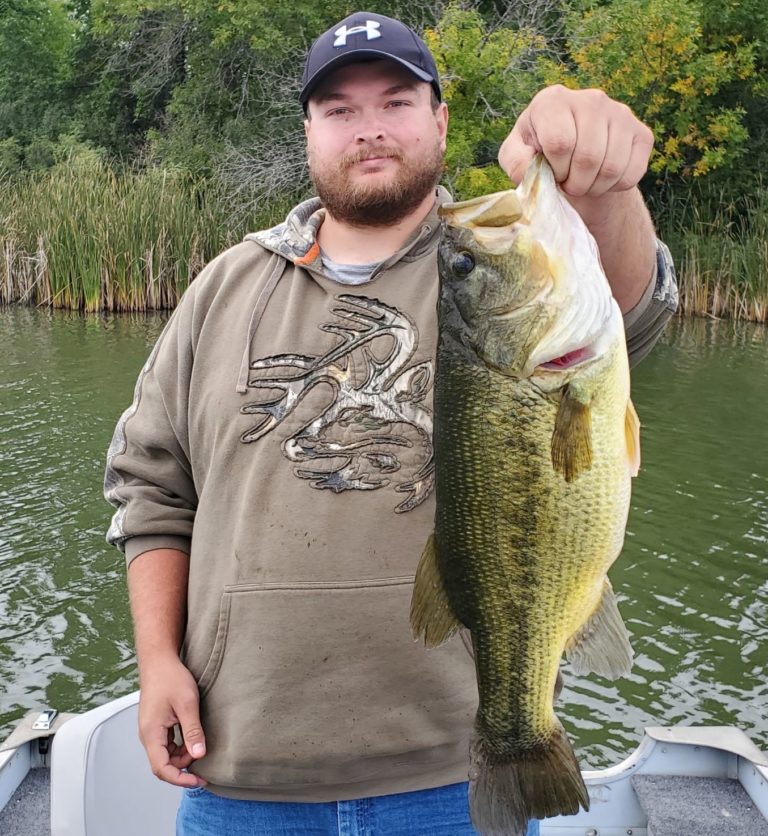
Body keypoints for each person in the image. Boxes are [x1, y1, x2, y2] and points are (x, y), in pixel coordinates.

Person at [104, 11, 678, 836]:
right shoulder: (222, 288)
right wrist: (157, 660)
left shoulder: (500, 252)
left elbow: (628, 308)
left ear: (439, 120)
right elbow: (151, 488)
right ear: (308, 131)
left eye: (397, 101)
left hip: (460, 772)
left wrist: (604, 184)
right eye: (339, 109)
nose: (369, 129)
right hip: (242, 774)